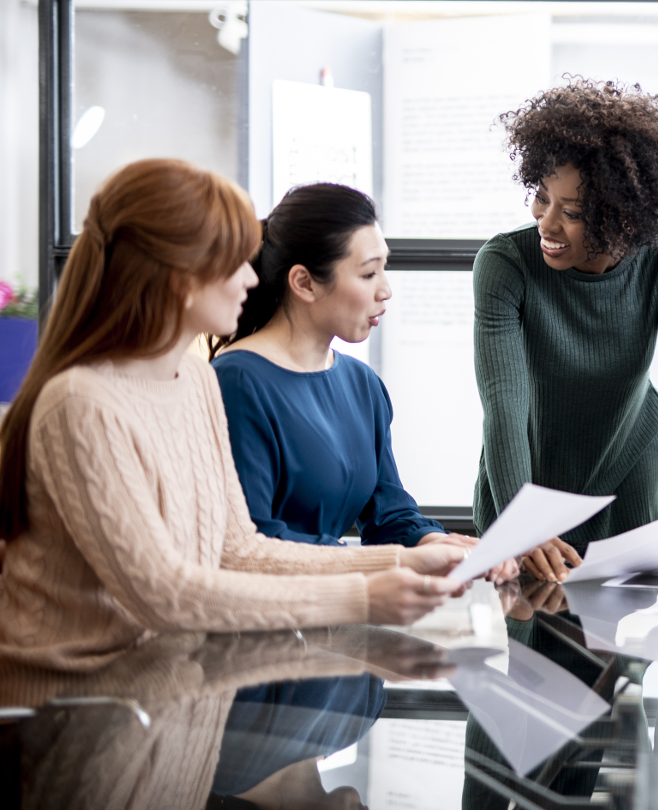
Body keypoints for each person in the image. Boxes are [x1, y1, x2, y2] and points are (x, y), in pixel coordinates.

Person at [0, 159, 466, 672]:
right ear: (177, 278)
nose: (250, 277)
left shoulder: (195, 380)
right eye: (233, 262)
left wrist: (405, 558)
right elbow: (163, 593)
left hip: (170, 689)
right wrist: (362, 596)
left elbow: (240, 548)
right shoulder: (83, 404)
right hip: (79, 710)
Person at [474, 78, 658, 582]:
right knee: (524, 647)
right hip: (526, 479)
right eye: (542, 197)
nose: (546, 223)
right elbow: (503, 403)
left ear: (624, 220)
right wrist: (520, 526)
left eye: (572, 212)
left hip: (629, 476)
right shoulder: (505, 262)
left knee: (626, 650)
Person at [207, 183, 515, 583]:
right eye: (369, 273)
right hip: (263, 618)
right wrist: (392, 563)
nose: (385, 290)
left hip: (335, 613)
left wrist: (434, 543)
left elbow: (390, 515)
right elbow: (251, 542)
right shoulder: (236, 382)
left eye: (383, 269)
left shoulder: (361, 383)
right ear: (304, 283)